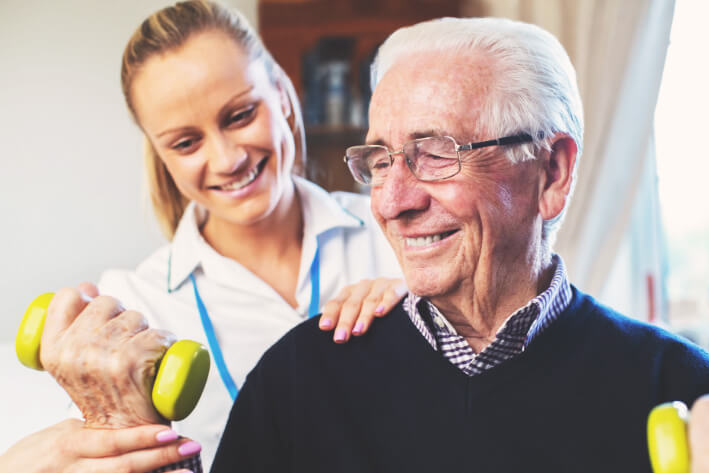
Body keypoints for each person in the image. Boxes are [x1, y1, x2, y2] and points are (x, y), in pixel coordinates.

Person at [206, 16, 709, 472]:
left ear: (553, 173)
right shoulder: (296, 380)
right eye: (381, 160)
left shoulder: (688, 399)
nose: (390, 202)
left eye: (435, 154)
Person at [0, 1, 406, 472]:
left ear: (280, 93)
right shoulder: (134, 309)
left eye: (239, 115)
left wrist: (430, 308)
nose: (228, 158)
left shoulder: (399, 236)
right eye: (186, 142)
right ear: (160, 154)